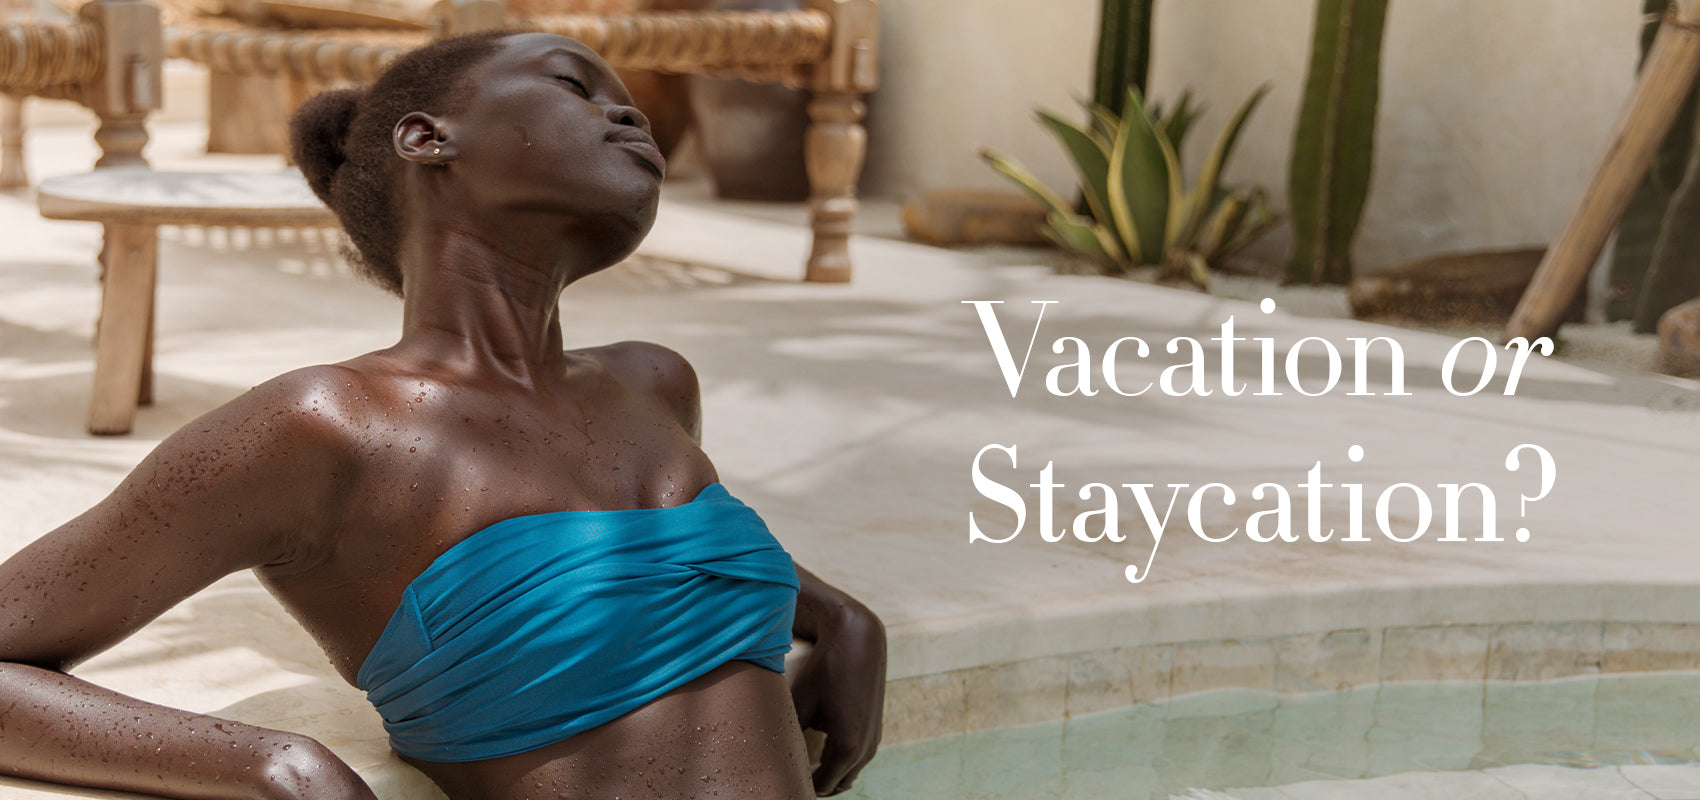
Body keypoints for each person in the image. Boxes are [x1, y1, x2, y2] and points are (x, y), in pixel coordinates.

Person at [0, 29, 886, 800]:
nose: (630, 115)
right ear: (427, 139)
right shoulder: (328, 427)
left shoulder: (652, 386)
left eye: (627, 104)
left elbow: (645, 561)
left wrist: (840, 616)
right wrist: (270, 763)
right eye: (574, 85)